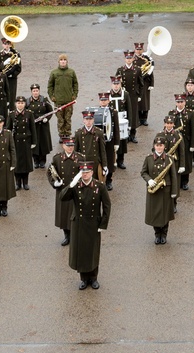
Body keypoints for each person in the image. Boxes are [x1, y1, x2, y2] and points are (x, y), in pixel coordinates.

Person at [60, 162, 111, 290]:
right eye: (83, 172)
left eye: (87, 172)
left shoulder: (100, 186)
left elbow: (106, 206)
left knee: (92, 251)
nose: (85, 174)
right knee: (81, 251)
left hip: (94, 223)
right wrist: (71, 184)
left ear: (92, 173)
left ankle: (93, 278)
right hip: (79, 223)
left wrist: (103, 224)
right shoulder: (76, 186)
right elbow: (63, 197)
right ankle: (83, 278)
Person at [142, 137, 179, 245]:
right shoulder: (148, 159)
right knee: (155, 214)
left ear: (164, 147)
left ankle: (164, 234)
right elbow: (143, 172)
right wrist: (149, 180)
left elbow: (173, 176)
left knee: (165, 213)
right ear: (154, 146)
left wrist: (173, 192)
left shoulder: (169, 158)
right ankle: (157, 234)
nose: (159, 147)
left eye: (161, 146)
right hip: (154, 190)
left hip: (165, 190)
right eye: (157, 146)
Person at [48, 138, 82, 246]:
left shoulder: (80, 158)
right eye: (68, 145)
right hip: (62, 191)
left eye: (72, 145)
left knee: (74, 214)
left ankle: (75, 236)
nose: (70, 147)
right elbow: (50, 172)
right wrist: (54, 183)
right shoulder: (57, 158)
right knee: (63, 215)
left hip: (75, 191)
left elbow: (85, 174)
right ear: (63, 146)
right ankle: (66, 236)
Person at [168, 93, 194, 190]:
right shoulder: (172, 113)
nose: (180, 104)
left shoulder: (190, 113)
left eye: (181, 102)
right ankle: (177, 180)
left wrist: (193, 144)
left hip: (186, 141)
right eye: (178, 102)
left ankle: (185, 182)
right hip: (175, 141)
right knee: (176, 161)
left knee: (187, 162)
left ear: (185, 102)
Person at [154, 116, 185, 212]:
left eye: (171, 123)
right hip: (162, 163)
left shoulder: (177, 135)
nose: (169, 125)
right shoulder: (160, 135)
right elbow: (154, 149)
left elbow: (182, 152)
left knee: (174, 183)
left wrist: (182, 165)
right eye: (167, 123)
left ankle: (174, 203)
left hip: (174, 163)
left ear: (173, 124)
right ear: (164, 124)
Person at [6, 96, 37, 191]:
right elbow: (8, 129)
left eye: (22, 103)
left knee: (26, 163)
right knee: (17, 163)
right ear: (15, 104)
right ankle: (18, 183)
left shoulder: (29, 114)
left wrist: (34, 142)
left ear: (25, 104)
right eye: (18, 103)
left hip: (26, 141)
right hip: (15, 142)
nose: (20, 105)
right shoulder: (11, 115)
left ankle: (26, 182)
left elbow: (33, 128)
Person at [47, 54, 78, 138]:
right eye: (61, 60)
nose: (63, 61)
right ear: (59, 61)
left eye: (64, 60)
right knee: (60, 120)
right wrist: (52, 96)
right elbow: (50, 86)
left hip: (69, 101)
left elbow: (75, 84)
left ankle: (67, 134)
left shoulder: (71, 72)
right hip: (58, 101)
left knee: (67, 119)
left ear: (67, 61)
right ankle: (61, 135)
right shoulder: (54, 73)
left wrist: (74, 95)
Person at [95, 92, 121, 190]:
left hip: (110, 140)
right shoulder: (95, 112)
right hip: (98, 140)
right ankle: (99, 179)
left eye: (105, 100)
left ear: (109, 101)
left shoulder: (113, 112)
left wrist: (117, 143)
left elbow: (116, 128)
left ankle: (109, 181)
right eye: (101, 100)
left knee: (110, 160)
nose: (103, 102)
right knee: (99, 159)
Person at [72, 111, 108, 181]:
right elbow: (75, 151)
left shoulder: (99, 132)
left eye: (90, 119)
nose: (88, 121)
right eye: (86, 119)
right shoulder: (78, 133)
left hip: (95, 163)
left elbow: (102, 151)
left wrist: (104, 165)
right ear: (83, 120)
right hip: (83, 162)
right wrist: (75, 165)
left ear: (93, 120)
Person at [116, 50, 143, 143]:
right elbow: (116, 83)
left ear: (133, 59)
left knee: (134, 115)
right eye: (127, 58)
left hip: (133, 96)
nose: (129, 60)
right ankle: (126, 135)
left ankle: (133, 134)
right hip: (123, 96)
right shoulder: (120, 70)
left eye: (130, 58)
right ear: (125, 59)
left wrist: (139, 95)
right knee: (125, 114)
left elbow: (141, 84)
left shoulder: (137, 70)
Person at [28, 83, 54, 169]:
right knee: (34, 143)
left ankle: (43, 161)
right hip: (33, 126)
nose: (35, 93)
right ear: (31, 92)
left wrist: (47, 118)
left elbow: (50, 111)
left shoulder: (44, 100)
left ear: (39, 91)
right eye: (34, 91)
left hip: (43, 126)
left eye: (37, 91)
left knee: (43, 143)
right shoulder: (28, 102)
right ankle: (35, 160)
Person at [108, 76, 131, 170]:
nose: (116, 86)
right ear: (111, 84)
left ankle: (120, 161)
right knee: (112, 141)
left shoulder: (125, 94)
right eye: (114, 84)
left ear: (120, 84)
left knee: (122, 142)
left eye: (117, 84)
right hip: (112, 121)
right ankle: (112, 161)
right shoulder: (108, 95)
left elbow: (129, 109)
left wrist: (129, 125)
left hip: (122, 121)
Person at [132, 42, 155, 127]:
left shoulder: (147, 59)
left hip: (145, 82)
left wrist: (151, 84)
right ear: (135, 50)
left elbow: (151, 72)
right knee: (137, 101)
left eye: (140, 49)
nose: (138, 51)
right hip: (136, 83)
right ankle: (138, 119)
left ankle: (144, 119)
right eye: (137, 49)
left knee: (145, 101)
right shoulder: (132, 59)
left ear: (143, 50)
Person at [0, 38, 21, 108]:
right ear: (2, 45)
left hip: (12, 79)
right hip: (2, 79)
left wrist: (12, 74)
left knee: (12, 97)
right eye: (5, 44)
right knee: (2, 96)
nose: (6, 46)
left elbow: (19, 68)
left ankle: (12, 114)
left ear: (10, 45)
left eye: (8, 44)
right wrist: (4, 63)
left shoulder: (16, 54)